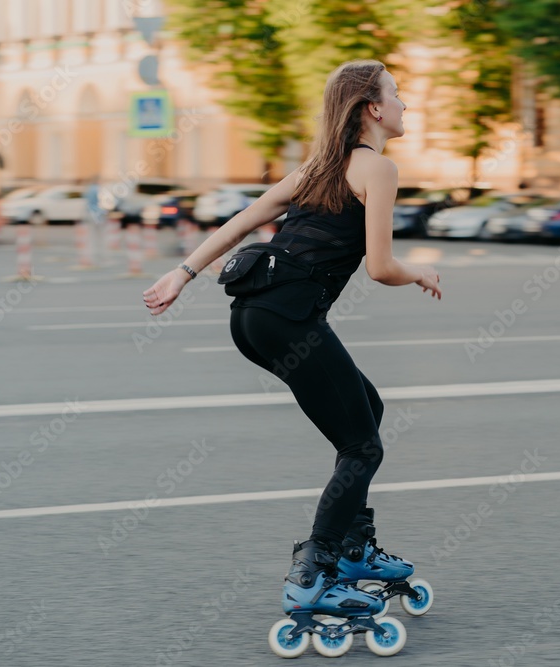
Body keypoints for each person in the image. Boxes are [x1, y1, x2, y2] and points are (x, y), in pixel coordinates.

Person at [142, 60, 441, 620]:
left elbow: (239, 224)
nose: (405, 105)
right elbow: (379, 266)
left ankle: (353, 547)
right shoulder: (377, 169)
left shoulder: (318, 169)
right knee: (363, 446)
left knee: (366, 410)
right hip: (290, 317)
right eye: (397, 95)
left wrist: (180, 275)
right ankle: (316, 570)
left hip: (254, 318)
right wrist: (418, 272)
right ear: (373, 108)